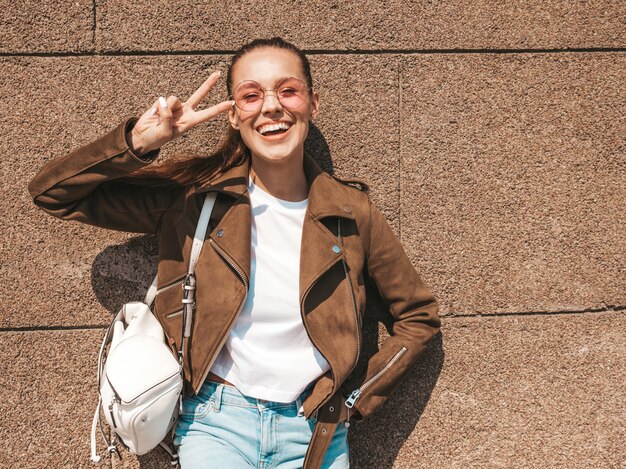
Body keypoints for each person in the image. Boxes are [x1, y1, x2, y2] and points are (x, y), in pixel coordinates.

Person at [28, 37, 440, 469]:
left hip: (316, 431)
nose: (271, 106)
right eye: (251, 95)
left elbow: (418, 315)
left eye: (288, 90)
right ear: (233, 116)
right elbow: (53, 194)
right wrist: (139, 142)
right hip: (217, 424)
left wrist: (353, 400)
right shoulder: (195, 199)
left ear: (313, 104)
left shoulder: (352, 212)